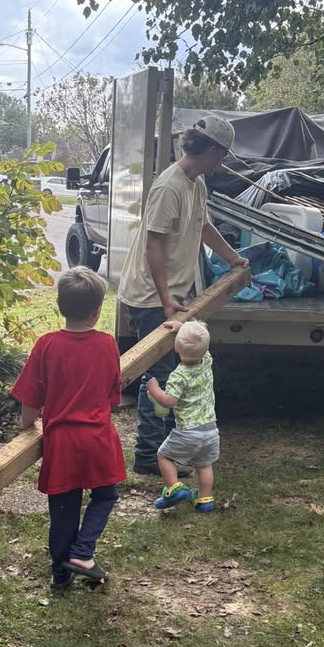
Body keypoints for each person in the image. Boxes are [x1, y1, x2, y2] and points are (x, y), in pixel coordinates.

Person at [117, 114, 247, 476]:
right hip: (150, 296)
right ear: (211, 150)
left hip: (171, 292)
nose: (221, 164)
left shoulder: (197, 183)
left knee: (172, 370)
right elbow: (153, 245)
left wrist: (233, 258)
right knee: (157, 373)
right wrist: (165, 299)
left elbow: (202, 226)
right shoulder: (169, 187)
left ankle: (163, 448)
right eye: (221, 156)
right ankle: (147, 455)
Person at [11, 267, 125, 590]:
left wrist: (27, 425)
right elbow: (112, 396)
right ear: (96, 311)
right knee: (106, 495)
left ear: (59, 305)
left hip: (61, 443)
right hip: (98, 438)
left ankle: (61, 575)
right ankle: (83, 550)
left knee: (63, 510)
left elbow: (31, 397)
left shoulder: (46, 345)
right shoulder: (107, 345)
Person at [146, 319, 219, 513]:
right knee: (204, 465)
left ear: (176, 349)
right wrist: (184, 328)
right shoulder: (207, 362)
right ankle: (204, 499)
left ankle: (174, 488)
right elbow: (202, 338)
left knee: (164, 456)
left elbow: (169, 402)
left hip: (188, 431)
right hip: (211, 430)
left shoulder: (179, 375)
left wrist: (154, 390)